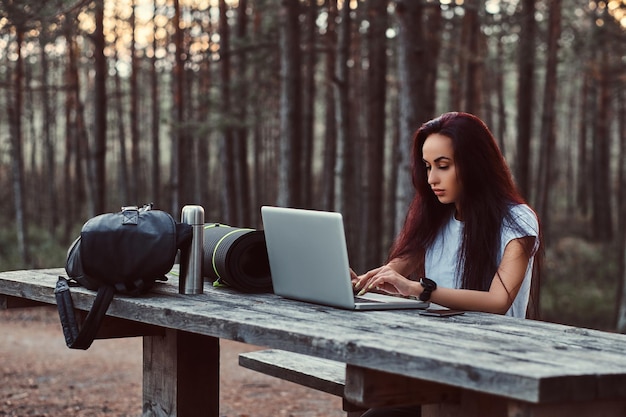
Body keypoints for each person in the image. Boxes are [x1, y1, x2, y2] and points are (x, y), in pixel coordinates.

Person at [352, 112, 542, 417]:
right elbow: (397, 268)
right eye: (427, 167)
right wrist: (359, 283)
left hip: (491, 368)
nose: (431, 179)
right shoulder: (436, 216)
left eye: (443, 166)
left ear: (475, 164)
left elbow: (498, 300)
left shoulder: (516, 220)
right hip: (433, 360)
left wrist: (420, 290)